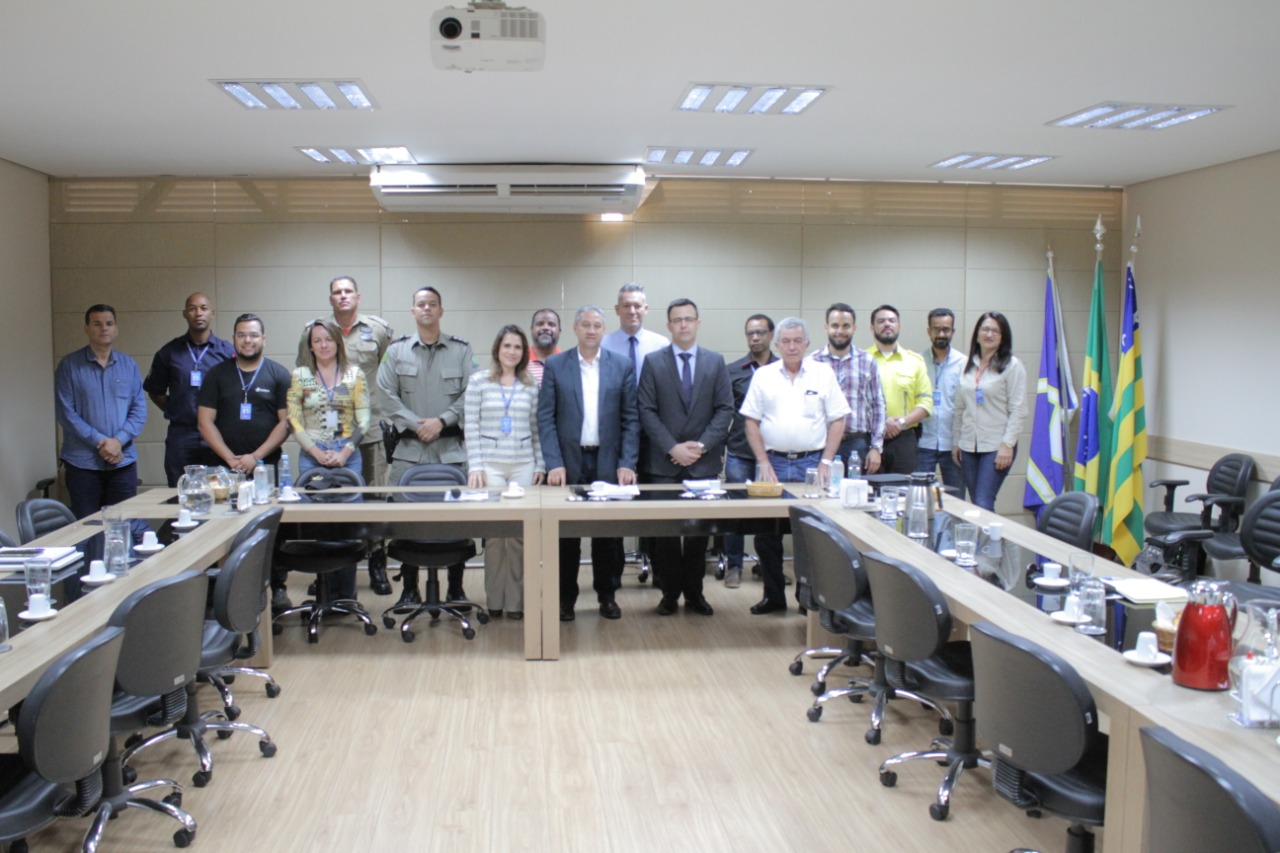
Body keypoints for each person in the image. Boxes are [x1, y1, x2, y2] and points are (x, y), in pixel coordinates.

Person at [739, 317, 849, 614]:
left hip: (811, 464)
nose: (791, 346)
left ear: (807, 344)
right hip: (771, 463)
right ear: (777, 344)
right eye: (785, 341)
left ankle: (806, 599)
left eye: (797, 341)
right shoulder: (763, 375)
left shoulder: (822, 374)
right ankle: (773, 596)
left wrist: (826, 461)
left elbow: (838, 419)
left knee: (809, 535)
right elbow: (751, 421)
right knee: (766, 535)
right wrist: (762, 461)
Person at [537, 305, 639, 622]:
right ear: (575, 329)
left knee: (608, 536)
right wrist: (554, 462)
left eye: (597, 325)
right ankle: (565, 600)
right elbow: (546, 419)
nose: (591, 330)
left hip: (608, 462)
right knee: (566, 536)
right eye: (585, 324)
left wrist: (627, 462)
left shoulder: (621, 366)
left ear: (603, 330)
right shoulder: (556, 365)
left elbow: (630, 420)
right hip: (568, 462)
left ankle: (607, 596)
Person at [375, 286, 476, 607]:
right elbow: (384, 395)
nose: (427, 309)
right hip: (409, 451)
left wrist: (442, 420)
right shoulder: (397, 351)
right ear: (413, 311)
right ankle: (409, 588)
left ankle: (456, 589)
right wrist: (417, 423)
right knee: (408, 521)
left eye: (433, 304)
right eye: (421, 304)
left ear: (441, 311)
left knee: (456, 521)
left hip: (451, 451)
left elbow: (472, 393)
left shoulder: (461, 350)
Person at [295, 276, 395, 595]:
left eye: (348, 291)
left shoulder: (378, 329)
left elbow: (387, 370)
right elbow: (305, 373)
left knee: (374, 496)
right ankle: (328, 565)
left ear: (358, 296)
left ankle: (377, 561)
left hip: (368, 429)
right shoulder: (314, 330)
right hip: (327, 433)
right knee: (326, 500)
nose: (343, 296)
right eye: (337, 292)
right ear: (330, 299)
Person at [637, 299, 734, 616]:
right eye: (676, 320)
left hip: (703, 463)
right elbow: (647, 411)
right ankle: (668, 595)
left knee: (697, 535)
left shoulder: (715, 362)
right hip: (663, 465)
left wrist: (701, 446)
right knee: (665, 535)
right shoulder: (653, 362)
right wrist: (672, 447)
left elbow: (724, 409)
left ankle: (695, 594)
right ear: (668, 326)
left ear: (698, 323)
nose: (683, 325)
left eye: (688, 319)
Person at [197, 313, 292, 608]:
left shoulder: (278, 374)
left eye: (253, 335)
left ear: (263, 339)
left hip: (266, 468)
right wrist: (230, 459)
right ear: (234, 339)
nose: (247, 340)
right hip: (224, 472)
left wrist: (255, 457)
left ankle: (276, 587)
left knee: (271, 532)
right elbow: (205, 421)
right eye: (241, 335)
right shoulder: (217, 374)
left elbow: (286, 423)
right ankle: (225, 592)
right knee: (223, 531)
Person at [464, 325, 545, 621]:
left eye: (518, 347)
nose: (511, 351)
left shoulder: (530, 385)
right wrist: (475, 465)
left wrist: (540, 464)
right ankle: (495, 601)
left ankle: (516, 603)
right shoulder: (479, 382)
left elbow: (536, 429)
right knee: (496, 537)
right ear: (498, 348)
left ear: (524, 353)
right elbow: (470, 426)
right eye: (507, 346)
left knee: (520, 537)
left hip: (522, 464)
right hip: (490, 466)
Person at [55, 304, 148, 525]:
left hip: (122, 463)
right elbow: (66, 413)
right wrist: (101, 442)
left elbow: (139, 410)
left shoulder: (128, 365)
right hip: (83, 464)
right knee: (87, 528)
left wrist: (118, 441)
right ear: (86, 328)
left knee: (124, 526)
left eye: (109, 324)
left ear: (116, 329)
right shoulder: (69, 366)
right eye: (97, 324)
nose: (103, 329)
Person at [144, 292, 235, 486]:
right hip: (182, 435)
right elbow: (155, 391)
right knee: (180, 491)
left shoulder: (227, 352)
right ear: (185, 314)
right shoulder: (169, 352)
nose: (198, 313)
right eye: (192, 309)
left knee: (219, 490)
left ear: (212, 313)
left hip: (217, 433)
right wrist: (177, 408)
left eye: (203, 308)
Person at [721, 314, 777, 589]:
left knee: (769, 514)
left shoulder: (784, 369)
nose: (755, 338)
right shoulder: (734, 370)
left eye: (760, 332)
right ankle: (734, 565)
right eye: (750, 333)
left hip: (773, 453)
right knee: (735, 511)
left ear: (771, 335)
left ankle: (767, 567)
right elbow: (723, 413)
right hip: (740, 452)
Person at [952, 311, 1028, 511]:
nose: (989, 334)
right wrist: (956, 442)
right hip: (968, 445)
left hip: (996, 445)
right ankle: (983, 542)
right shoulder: (966, 365)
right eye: (985, 329)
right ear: (977, 333)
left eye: (995, 331)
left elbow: (1018, 409)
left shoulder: (1012, 366)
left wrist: (1007, 445)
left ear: (1003, 337)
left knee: (983, 502)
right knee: (976, 501)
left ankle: (988, 542)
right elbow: (960, 407)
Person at [809, 302, 885, 475]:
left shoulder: (867, 360)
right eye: (835, 326)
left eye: (846, 326)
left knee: (854, 496)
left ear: (854, 328)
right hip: (821, 443)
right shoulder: (813, 362)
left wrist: (876, 447)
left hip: (856, 444)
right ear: (826, 327)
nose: (840, 331)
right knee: (821, 494)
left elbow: (878, 406)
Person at [289, 320, 370, 477]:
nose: (323, 345)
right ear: (311, 347)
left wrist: (344, 454)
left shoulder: (355, 374)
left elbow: (364, 422)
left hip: (348, 452)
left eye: (329, 339)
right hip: (312, 452)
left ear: (338, 343)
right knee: (313, 500)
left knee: (350, 501)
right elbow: (293, 421)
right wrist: (317, 453)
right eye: (317, 341)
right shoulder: (299, 375)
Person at [868, 304, 933, 475]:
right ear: (872, 328)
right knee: (870, 493)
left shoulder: (915, 361)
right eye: (881, 321)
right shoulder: (862, 360)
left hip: (905, 438)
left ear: (899, 326)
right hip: (871, 439)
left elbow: (926, 403)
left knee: (903, 492)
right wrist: (883, 423)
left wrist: (901, 423)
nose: (887, 324)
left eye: (892, 320)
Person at [917, 307, 967, 499]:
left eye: (946, 329)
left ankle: (953, 530)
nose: (941, 334)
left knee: (957, 502)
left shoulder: (965, 364)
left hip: (953, 445)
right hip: (923, 443)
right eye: (936, 329)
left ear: (953, 332)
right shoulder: (917, 362)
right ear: (929, 331)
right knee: (921, 498)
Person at [602, 282, 669, 385]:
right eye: (626, 306)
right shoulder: (603, 345)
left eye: (637, 306)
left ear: (645, 309)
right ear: (617, 309)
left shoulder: (661, 345)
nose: (632, 311)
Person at [526, 308, 561, 386]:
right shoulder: (520, 361)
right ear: (531, 330)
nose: (545, 328)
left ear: (559, 331)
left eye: (551, 324)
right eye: (540, 324)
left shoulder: (568, 363)